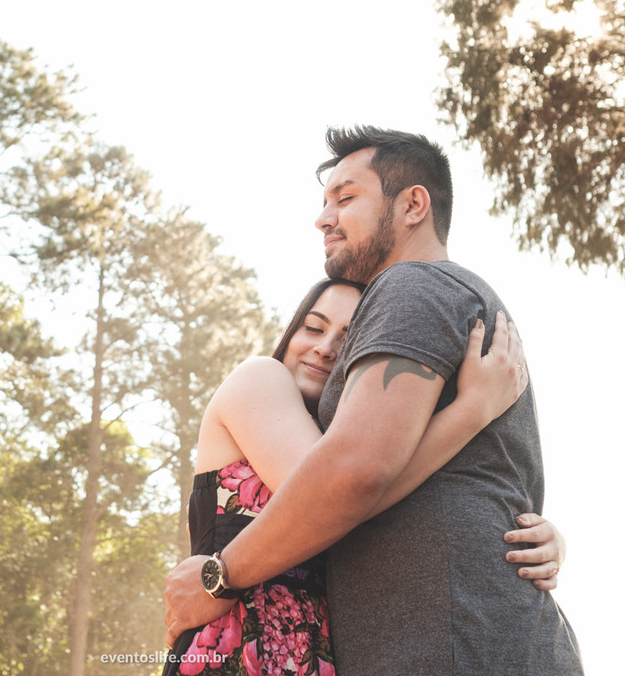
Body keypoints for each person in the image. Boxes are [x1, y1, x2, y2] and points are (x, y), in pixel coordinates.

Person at [165, 126, 583, 675]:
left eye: (346, 197)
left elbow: (350, 476)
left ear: (412, 205)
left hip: (456, 645)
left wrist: (219, 576)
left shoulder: (413, 286)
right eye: (314, 328)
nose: (322, 218)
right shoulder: (274, 387)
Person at [165, 277, 565, 675]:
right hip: (234, 650)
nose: (325, 349)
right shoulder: (260, 378)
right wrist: (472, 410)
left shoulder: (348, 451)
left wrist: (526, 532)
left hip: (320, 658)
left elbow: (391, 499)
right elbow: (331, 495)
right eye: (314, 328)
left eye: (348, 339)